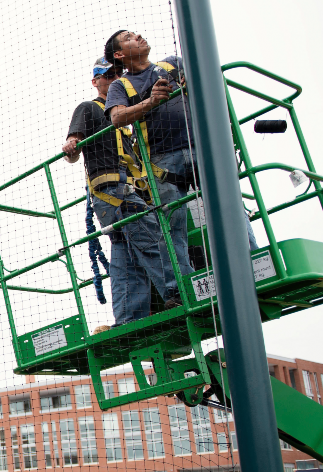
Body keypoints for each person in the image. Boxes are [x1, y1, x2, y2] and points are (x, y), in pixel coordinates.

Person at [104, 30, 255, 271]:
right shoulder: (120, 85)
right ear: (120, 54)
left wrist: (193, 83)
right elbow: (117, 118)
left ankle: (254, 261)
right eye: (130, 37)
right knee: (172, 225)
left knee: (230, 206)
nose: (139, 36)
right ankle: (180, 286)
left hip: (202, 148)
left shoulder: (173, 64)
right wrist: (151, 101)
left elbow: (208, 82)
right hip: (162, 161)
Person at [64, 58, 172, 325]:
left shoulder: (124, 115)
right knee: (152, 239)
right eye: (106, 75)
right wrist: (71, 144)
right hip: (112, 190)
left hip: (125, 191)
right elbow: (73, 147)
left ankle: (128, 319)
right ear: (95, 81)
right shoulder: (89, 108)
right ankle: (179, 290)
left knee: (127, 254)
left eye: (116, 74)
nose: (112, 78)